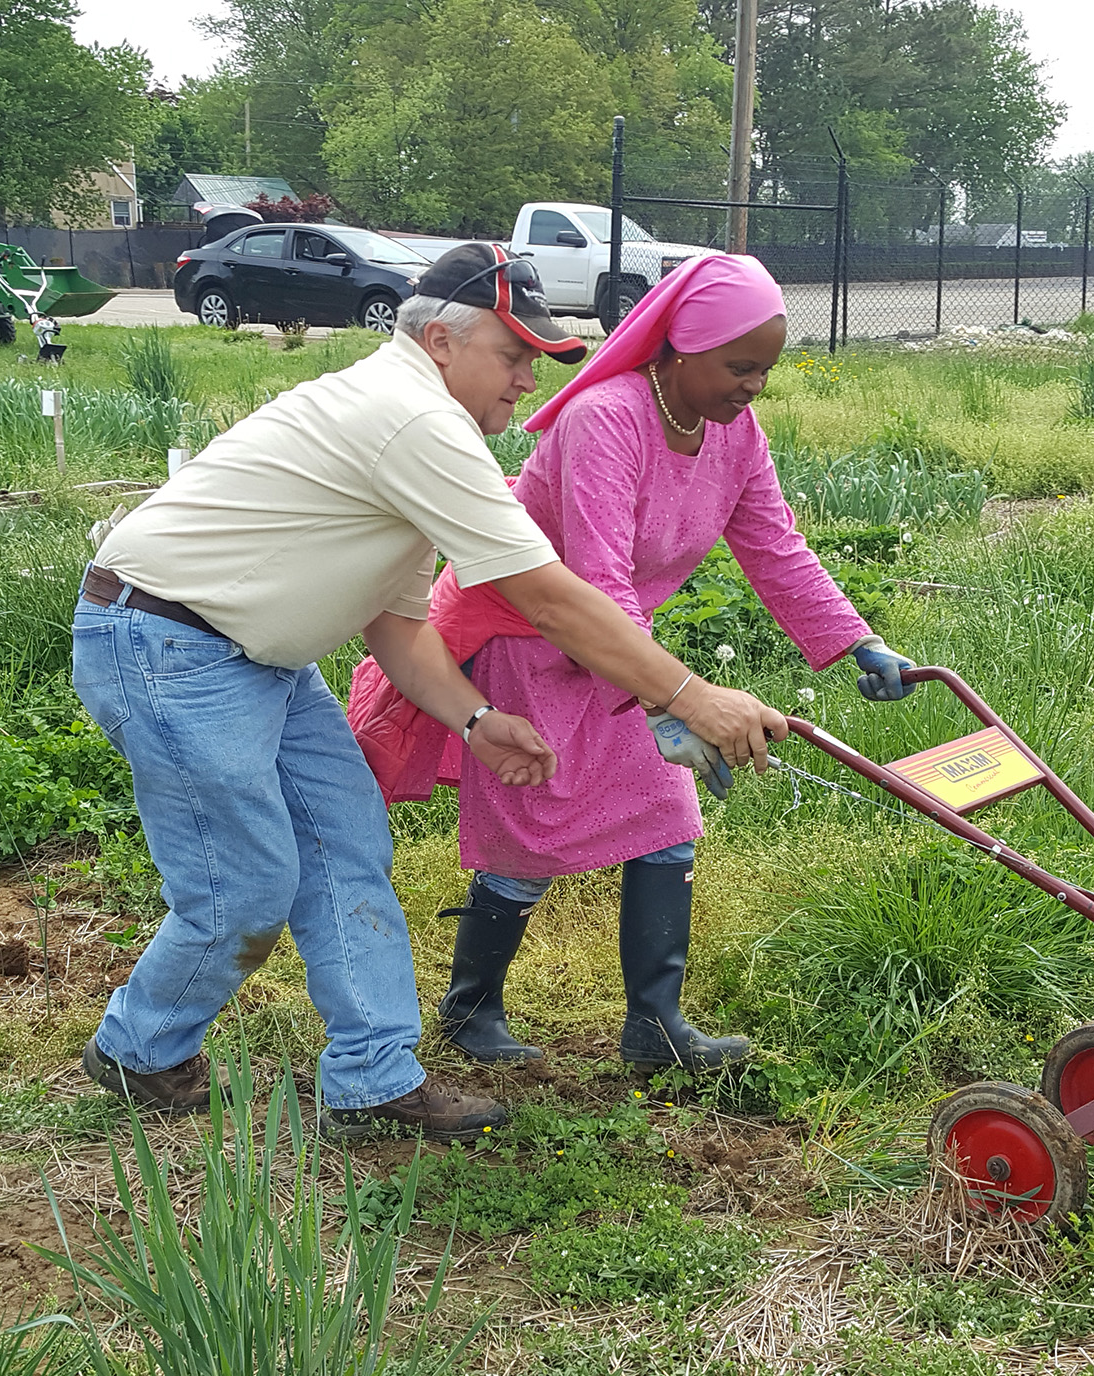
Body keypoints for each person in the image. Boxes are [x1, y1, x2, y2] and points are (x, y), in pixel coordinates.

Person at [77, 243, 792, 1141]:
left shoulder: (417, 424)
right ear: (444, 340)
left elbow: (399, 624)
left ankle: (374, 1080)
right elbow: (545, 595)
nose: (530, 379)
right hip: (165, 643)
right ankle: (137, 1050)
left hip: (259, 658)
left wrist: (478, 718)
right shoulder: (413, 418)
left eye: (540, 359)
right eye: (515, 354)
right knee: (247, 887)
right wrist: (689, 696)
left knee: (348, 846)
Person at [350, 253, 917, 1073]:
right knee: (531, 835)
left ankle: (655, 1029)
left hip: (618, 647)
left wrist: (857, 640)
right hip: (525, 638)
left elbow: (775, 548)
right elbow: (595, 575)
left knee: (665, 821)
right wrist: (672, 699)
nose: (753, 386)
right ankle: (471, 1010)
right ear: (680, 349)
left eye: (765, 369)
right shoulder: (607, 418)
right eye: (738, 366)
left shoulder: (734, 435)